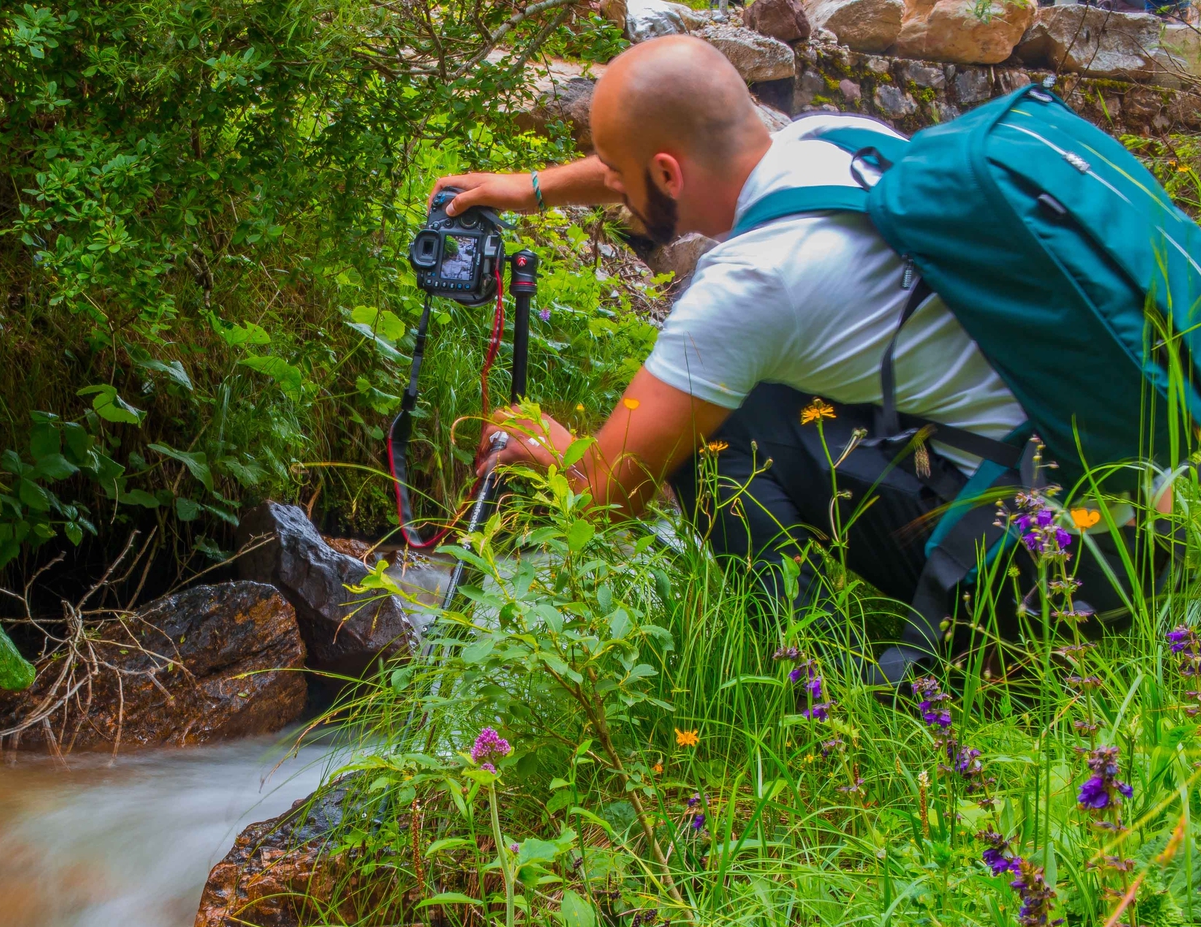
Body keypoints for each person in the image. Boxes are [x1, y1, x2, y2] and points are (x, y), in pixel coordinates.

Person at [434, 34, 1163, 663]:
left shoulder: (752, 282)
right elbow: (663, 147)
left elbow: (602, 497)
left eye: (620, 176)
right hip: (1125, 517)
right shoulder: (827, 139)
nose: (613, 190)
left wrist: (550, 449)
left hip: (1047, 584)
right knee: (761, 402)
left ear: (665, 174)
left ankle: (824, 677)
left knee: (709, 439)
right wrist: (528, 189)